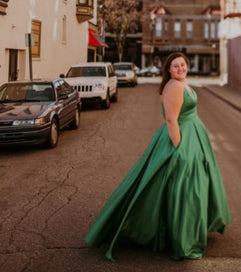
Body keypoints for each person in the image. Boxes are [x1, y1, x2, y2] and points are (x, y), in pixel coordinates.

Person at [85, 52, 231, 261]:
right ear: (169, 70)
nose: (180, 68)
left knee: (192, 184)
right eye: (175, 66)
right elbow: (171, 120)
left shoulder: (181, 83)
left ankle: (189, 226)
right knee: (186, 189)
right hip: (181, 139)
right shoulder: (175, 87)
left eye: (182, 65)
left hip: (193, 136)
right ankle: (181, 235)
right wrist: (180, 149)